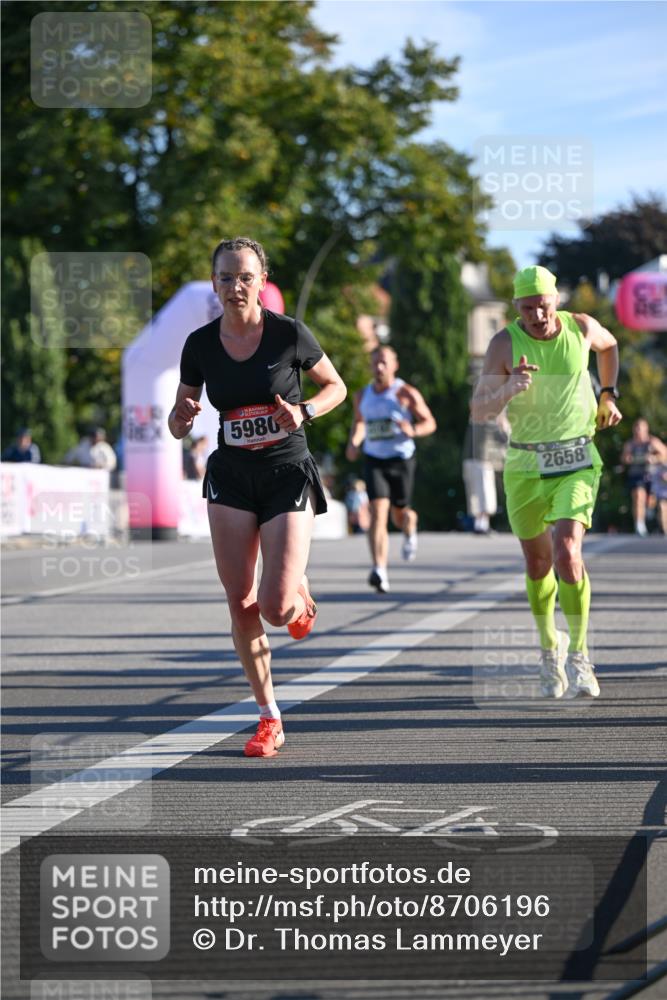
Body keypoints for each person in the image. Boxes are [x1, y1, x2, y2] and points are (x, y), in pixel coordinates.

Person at [169, 237, 346, 758]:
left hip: (286, 470)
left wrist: (306, 411)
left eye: (245, 277)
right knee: (240, 602)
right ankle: (269, 716)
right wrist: (179, 420)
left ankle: (298, 595)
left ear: (261, 281)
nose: (235, 287)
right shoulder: (199, 345)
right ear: (214, 283)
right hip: (231, 474)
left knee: (274, 606)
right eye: (226, 277)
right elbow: (183, 414)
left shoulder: (288, 333)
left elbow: (335, 386)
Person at [471, 265, 622, 699]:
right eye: (527, 307)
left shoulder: (581, 327)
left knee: (567, 552)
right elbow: (478, 410)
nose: (538, 314)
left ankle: (579, 655)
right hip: (525, 465)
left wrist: (609, 394)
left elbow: (610, 346)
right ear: (516, 308)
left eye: (543, 304)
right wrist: (508, 389)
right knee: (538, 565)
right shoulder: (504, 344)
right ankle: (549, 650)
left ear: (556, 299)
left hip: (577, 458)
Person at [346, 345, 436, 593]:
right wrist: (354, 442)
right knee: (377, 512)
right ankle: (379, 569)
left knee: (401, 515)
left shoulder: (405, 393)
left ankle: (410, 530)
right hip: (375, 458)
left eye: (384, 362)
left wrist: (414, 430)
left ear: (395, 365)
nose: (379, 367)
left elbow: (430, 422)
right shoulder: (362, 396)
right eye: (375, 363)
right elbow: (360, 423)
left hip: (401, 459)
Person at [462, 414, 509, 534]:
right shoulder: (488, 421)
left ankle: (481, 524)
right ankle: (481, 524)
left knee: (478, 493)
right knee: (483, 493)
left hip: (476, 459)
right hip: (482, 459)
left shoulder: (478, 418)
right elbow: (504, 438)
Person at [620, 419, 667, 536]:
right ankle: (639, 524)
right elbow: (624, 458)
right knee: (638, 496)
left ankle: (662, 526)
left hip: (653, 477)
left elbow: (665, 454)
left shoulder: (653, 442)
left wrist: (654, 458)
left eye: (640, 429)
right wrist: (628, 459)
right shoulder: (630, 444)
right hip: (637, 476)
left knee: (659, 503)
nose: (637, 431)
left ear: (646, 430)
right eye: (636, 429)